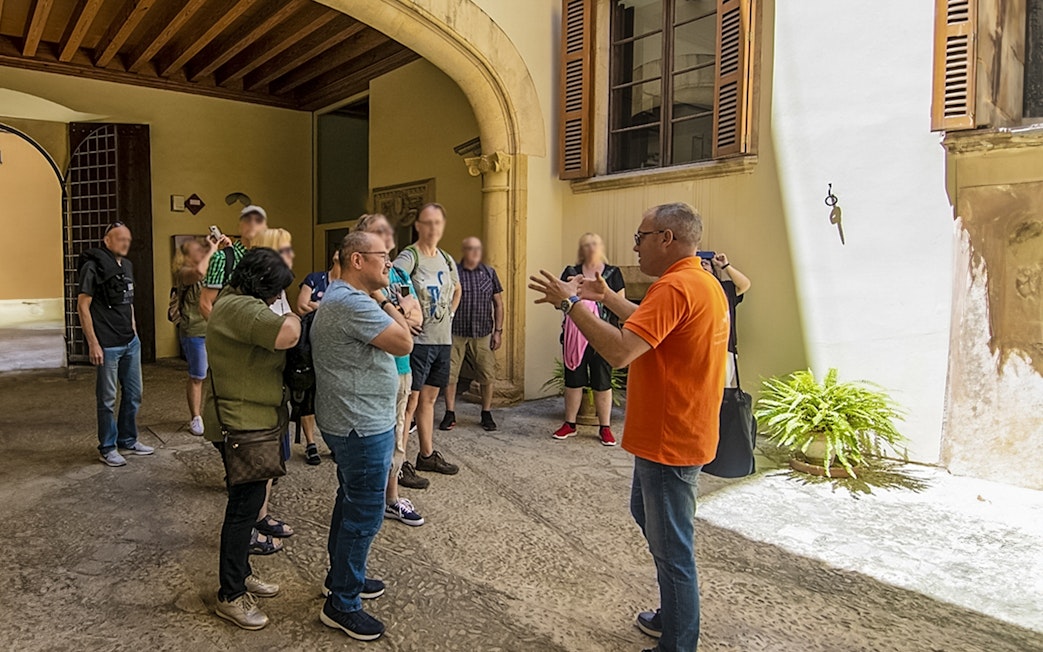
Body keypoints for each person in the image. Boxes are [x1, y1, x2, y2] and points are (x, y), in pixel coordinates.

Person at [529, 203, 730, 652]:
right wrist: (607, 299)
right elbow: (652, 321)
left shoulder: (676, 287)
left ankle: (677, 640)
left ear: (667, 239)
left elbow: (620, 351)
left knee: (673, 548)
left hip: (669, 437)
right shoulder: (700, 280)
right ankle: (674, 613)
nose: (634, 246)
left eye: (641, 237)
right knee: (650, 517)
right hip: (681, 431)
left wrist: (571, 303)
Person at [312, 231, 415, 641]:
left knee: (350, 499)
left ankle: (339, 577)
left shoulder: (342, 297)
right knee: (364, 515)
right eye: (383, 258)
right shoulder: (354, 302)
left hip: (352, 418)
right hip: (360, 423)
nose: (389, 266)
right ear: (357, 260)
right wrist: (392, 301)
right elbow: (405, 340)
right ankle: (343, 602)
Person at [203, 248, 301, 630]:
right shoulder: (239, 308)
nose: (277, 298)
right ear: (261, 285)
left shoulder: (234, 302)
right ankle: (229, 594)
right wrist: (293, 313)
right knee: (243, 507)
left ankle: (241, 575)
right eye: (275, 290)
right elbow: (287, 333)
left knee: (251, 499)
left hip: (251, 419)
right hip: (240, 422)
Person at [356, 214, 426, 524]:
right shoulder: (356, 281)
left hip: (402, 365)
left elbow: (417, 319)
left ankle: (391, 497)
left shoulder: (399, 273)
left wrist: (396, 314)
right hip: (374, 367)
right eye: (378, 232)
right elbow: (385, 324)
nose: (387, 236)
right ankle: (367, 498)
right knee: (372, 436)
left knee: (399, 432)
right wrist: (401, 316)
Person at [77, 222, 154, 467]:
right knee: (107, 398)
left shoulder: (127, 266)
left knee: (134, 394)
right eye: (120, 238)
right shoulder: (93, 266)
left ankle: (128, 439)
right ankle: (107, 447)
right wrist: (93, 343)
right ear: (107, 240)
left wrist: (134, 329)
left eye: (128, 239)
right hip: (107, 344)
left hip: (130, 341)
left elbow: (128, 301)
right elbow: (83, 306)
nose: (125, 243)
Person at [393, 203, 461, 479]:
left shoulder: (446, 258)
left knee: (430, 401)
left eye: (437, 222)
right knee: (410, 402)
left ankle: (427, 455)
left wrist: (451, 314)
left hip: (442, 340)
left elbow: (457, 288)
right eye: (427, 222)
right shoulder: (411, 256)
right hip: (418, 343)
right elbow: (393, 279)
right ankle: (400, 463)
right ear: (418, 226)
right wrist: (407, 314)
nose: (432, 227)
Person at [552, 233, 625, 447]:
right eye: (586, 244)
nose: (590, 248)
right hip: (575, 335)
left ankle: (605, 428)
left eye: (594, 244)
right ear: (581, 249)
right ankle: (570, 424)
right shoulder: (570, 272)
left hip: (603, 336)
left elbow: (620, 304)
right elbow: (558, 301)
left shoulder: (613, 273)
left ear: (601, 247)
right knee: (573, 380)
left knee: (602, 382)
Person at [440, 237, 504, 432]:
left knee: (487, 373)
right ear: (464, 251)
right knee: (451, 375)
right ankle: (449, 413)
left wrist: (498, 332)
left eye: (477, 249)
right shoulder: (453, 274)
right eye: (470, 249)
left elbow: (498, 303)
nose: (475, 253)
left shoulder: (489, 273)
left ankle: (486, 413)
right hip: (456, 331)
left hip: (482, 332)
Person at [172, 235, 225, 436]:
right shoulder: (184, 272)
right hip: (194, 330)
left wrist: (224, 249)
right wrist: (213, 248)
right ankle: (195, 417)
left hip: (213, 329)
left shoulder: (210, 268)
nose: (201, 251)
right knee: (198, 375)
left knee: (217, 375)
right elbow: (199, 271)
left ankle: (215, 413)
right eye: (196, 249)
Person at [295, 250, 342, 465]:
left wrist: (317, 306)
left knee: (334, 398)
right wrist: (328, 309)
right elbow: (302, 306)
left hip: (336, 350)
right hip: (309, 348)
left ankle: (334, 443)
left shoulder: (350, 286)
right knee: (308, 396)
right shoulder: (315, 279)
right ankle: (311, 443)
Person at [200, 205, 267, 319]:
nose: (252, 224)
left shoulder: (265, 260)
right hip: (229, 326)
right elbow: (205, 304)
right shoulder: (223, 258)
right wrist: (224, 331)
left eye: (258, 221)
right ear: (240, 227)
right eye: (247, 220)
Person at [699, 252, 751, 387]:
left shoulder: (724, 288)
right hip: (698, 349)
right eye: (697, 264)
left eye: (705, 263)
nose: (702, 266)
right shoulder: (689, 290)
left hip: (723, 349)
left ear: (712, 269)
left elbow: (744, 285)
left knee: (722, 392)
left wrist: (725, 265)